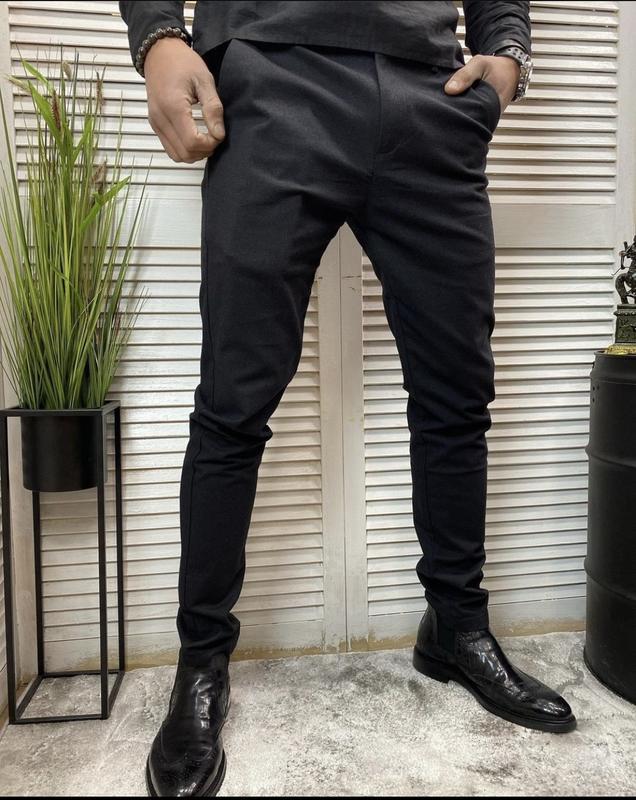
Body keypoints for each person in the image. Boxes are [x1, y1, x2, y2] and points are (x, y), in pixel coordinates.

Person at [118, 2, 576, 796]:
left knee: (457, 391)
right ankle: (201, 662)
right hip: (271, 79)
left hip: (431, 96)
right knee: (234, 400)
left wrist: (506, 56)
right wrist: (158, 37)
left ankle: (457, 628)